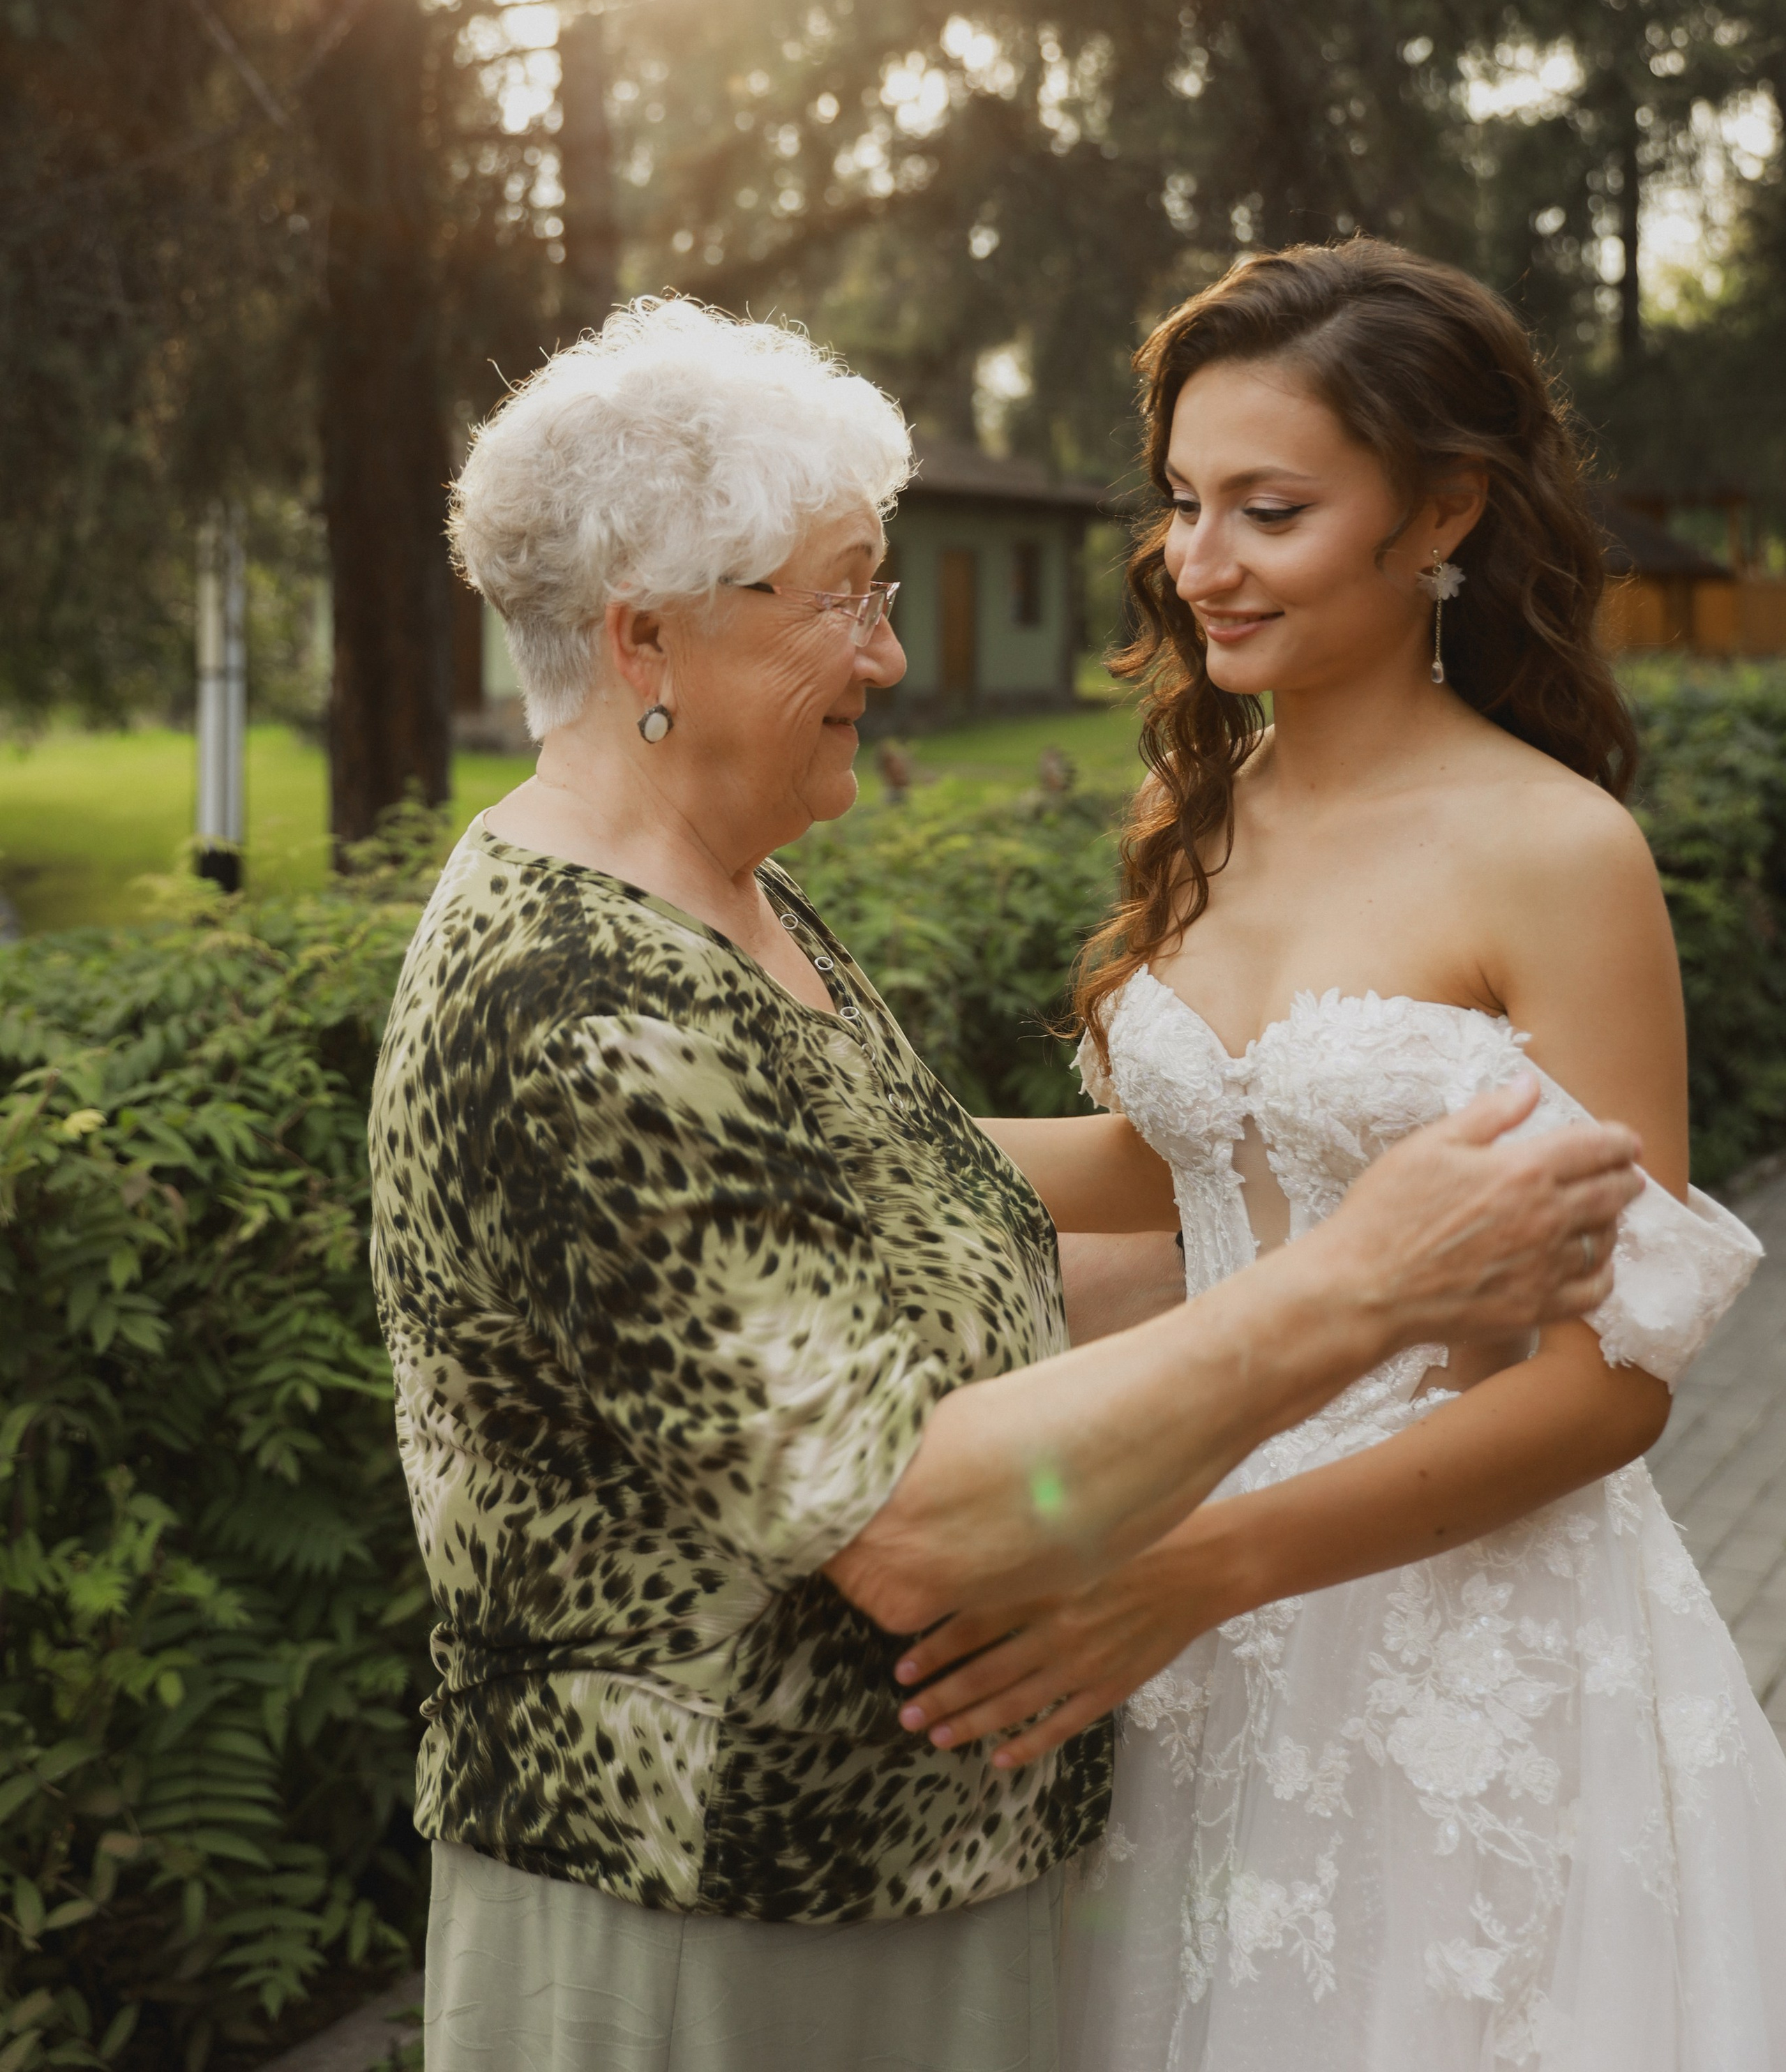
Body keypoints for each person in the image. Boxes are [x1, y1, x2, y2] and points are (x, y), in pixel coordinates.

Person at [367, 296, 1642, 2072]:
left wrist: (1316, 1213)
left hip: (908, 1869)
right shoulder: (581, 1004)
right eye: (841, 598)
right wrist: (1362, 1283)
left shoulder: (729, 902)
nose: (888, 656)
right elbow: (906, 1524)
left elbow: (942, 1247)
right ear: (645, 635)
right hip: (714, 1901)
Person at [891, 242, 1783, 2070]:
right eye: (1184, 502)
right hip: (1168, 1597)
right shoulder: (1201, 810)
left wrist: (1206, 1568)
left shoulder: (1558, 852)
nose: (1199, 561)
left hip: (1448, 1633)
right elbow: (1190, 1160)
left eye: (1271, 510)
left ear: (1442, 510)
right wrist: (811, 1130)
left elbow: (1612, 1383)